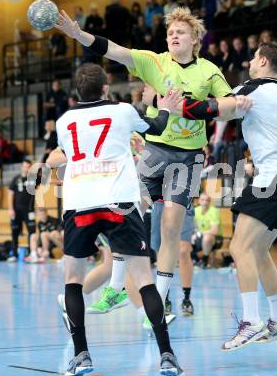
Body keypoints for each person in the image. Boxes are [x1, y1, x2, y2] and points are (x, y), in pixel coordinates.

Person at [55, 7, 250, 325]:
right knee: (124, 210)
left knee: (170, 228)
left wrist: (191, 108)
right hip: (154, 150)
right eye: (170, 32)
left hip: (187, 157)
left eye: (180, 32)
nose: (173, 35)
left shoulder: (209, 71)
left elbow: (229, 107)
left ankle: (157, 303)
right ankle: (116, 288)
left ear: (195, 38)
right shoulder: (155, 61)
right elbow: (115, 51)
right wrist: (79, 35)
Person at [160, 43, 277, 350]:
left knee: (239, 247)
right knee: (259, 250)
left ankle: (251, 321)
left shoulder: (255, 88)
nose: (250, 61)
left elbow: (216, 108)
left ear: (263, 61)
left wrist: (179, 107)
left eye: (254, 57)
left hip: (274, 179)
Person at [46, 63, 183, 376]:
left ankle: (82, 355)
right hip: (118, 201)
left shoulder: (64, 120)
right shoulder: (122, 111)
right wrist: (166, 108)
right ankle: (167, 355)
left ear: (76, 93)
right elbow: (157, 127)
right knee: (144, 278)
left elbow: (65, 156)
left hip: (80, 203)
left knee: (73, 279)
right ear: (106, 87)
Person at [151, 200, 196, 318]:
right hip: (159, 201)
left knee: (183, 251)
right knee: (161, 252)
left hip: (182, 200)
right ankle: (164, 298)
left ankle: (186, 298)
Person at [8, 160, 36, 262]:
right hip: (16, 211)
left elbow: (46, 179)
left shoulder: (34, 178)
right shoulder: (16, 179)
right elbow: (10, 194)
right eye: (25, 166)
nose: (26, 168)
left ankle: (30, 254)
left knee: (32, 232)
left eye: (29, 167)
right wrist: (10, 208)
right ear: (22, 167)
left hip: (29, 211)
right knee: (14, 232)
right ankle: (14, 254)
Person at [194, 192, 222, 268]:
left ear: (209, 202)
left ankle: (204, 260)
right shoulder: (195, 211)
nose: (205, 202)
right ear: (199, 201)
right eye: (202, 200)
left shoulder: (214, 211)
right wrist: (194, 234)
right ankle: (194, 259)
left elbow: (215, 231)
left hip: (215, 239)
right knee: (187, 237)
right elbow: (192, 227)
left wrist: (200, 233)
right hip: (199, 237)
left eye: (207, 200)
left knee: (207, 237)